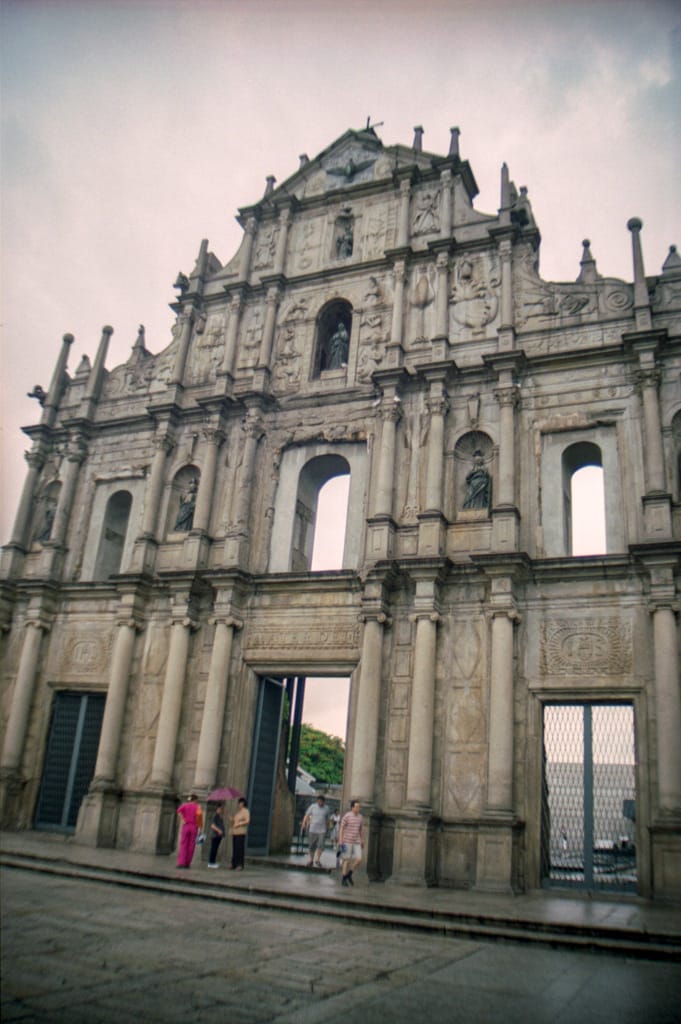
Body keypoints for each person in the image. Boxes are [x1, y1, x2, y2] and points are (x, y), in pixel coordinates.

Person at [338, 799, 364, 887]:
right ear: (352, 807)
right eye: (356, 807)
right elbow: (342, 828)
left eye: (359, 807)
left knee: (359, 859)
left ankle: (349, 873)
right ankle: (343, 878)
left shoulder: (360, 817)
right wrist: (340, 840)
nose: (358, 809)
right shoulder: (347, 816)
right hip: (347, 840)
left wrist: (362, 840)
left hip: (356, 841)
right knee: (347, 860)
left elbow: (360, 829)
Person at [302, 794, 331, 868]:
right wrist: (304, 823)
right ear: (317, 801)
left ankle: (318, 860)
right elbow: (307, 815)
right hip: (313, 829)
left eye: (321, 801)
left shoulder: (327, 808)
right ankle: (311, 860)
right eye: (319, 801)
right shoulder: (312, 806)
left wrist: (328, 828)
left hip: (322, 830)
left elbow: (328, 820)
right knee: (312, 845)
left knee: (321, 845)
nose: (320, 802)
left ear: (324, 802)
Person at [176, 793, 203, 869]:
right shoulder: (198, 807)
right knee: (191, 845)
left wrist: (183, 819)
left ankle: (181, 862)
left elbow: (178, 811)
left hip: (186, 825)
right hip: (194, 827)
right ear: (195, 800)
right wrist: (200, 829)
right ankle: (187, 863)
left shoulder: (185, 805)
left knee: (183, 844)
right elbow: (199, 818)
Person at [230, 797, 250, 871]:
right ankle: (234, 863)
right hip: (235, 832)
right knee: (235, 848)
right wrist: (232, 819)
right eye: (238, 803)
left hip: (241, 832)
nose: (239, 804)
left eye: (240, 803)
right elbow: (235, 821)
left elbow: (247, 821)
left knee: (239, 849)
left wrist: (239, 824)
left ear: (243, 803)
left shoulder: (246, 811)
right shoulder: (238, 812)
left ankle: (240, 864)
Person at [207, 802, 226, 868]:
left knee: (215, 848)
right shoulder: (215, 816)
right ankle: (211, 862)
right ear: (218, 808)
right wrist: (219, 830)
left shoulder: (220, 816)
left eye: (222, 809)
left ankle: (213, 862)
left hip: (218, 835)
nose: (221, 810)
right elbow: (212, 825)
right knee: (213, 849)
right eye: (220, 808)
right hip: (215, 835)